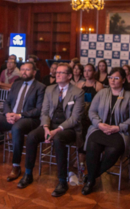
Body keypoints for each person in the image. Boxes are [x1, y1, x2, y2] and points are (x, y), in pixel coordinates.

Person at [17, 64, 85, 197]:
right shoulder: (49, 89)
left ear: (69, 76)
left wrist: (57, 130)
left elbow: (75, 119)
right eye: (57, 72)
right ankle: (28, 174)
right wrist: (46, 127)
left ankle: (62, 181)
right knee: (31, 136)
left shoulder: (78, 92)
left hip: (68, 128)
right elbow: (45, 112)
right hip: (50, 125)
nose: (57, 74)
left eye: (61, 72)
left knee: (59, 139)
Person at [0, 62, 46, 181]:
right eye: (22, 69)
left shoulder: (40, 87)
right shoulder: (16, 84)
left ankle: (16, 165)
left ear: (34, 72)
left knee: (16, 128)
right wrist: (8, 114)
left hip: (28, 119)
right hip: (11, 115)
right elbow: (7, 102)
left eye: (27, 70)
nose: (24, 72)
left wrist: (19, 115)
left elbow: (39, 109)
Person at [81, 68, 130, 195]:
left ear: (123, 80)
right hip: (99, 128)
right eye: (111, 77)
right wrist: (99, 124)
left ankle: (91, 177)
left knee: (113, 150)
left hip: (120, 132)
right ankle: (91, 180)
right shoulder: (102, 93)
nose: (112, 80)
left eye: (116, 78)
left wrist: (119, 127)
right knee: (92, 144)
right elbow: (92, 111)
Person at [76, 64, 104, 166]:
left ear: (94, 72)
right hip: (82, 114)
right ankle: (81, 157)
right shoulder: (80, 85)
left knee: (85, 127)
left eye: (89, 71)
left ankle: (85, 158)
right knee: (79, 127)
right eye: (85, 71)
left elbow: (101, 104)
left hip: (93, 115)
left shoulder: (99, 85)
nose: (86, 73)